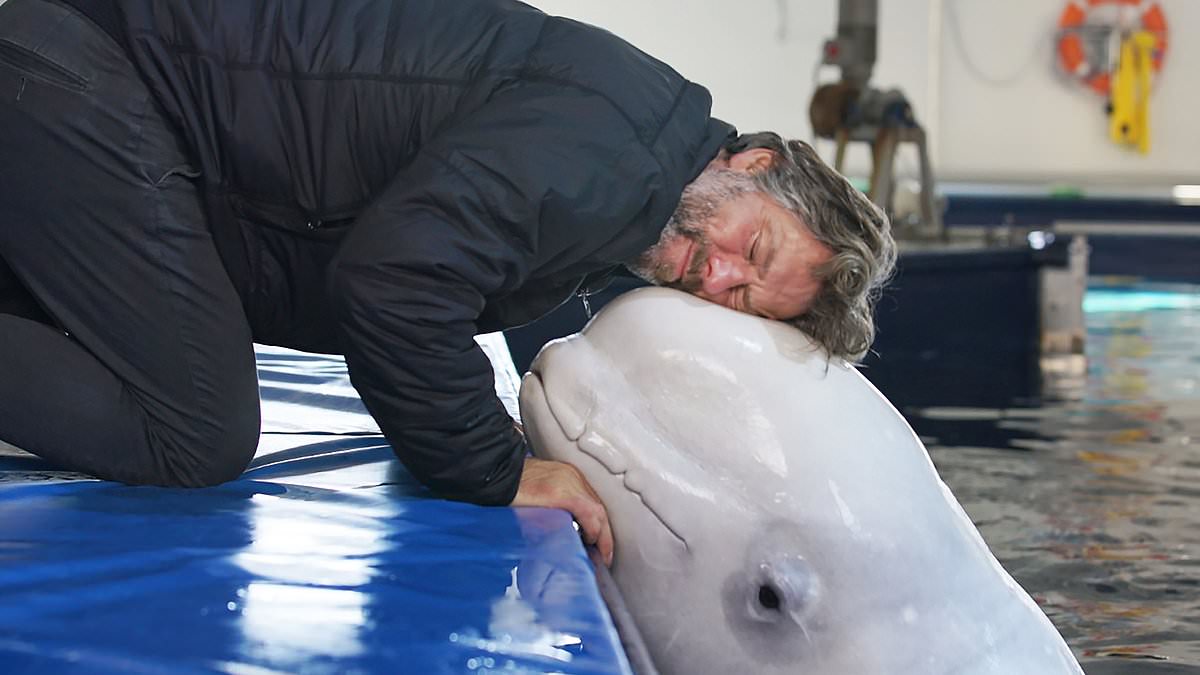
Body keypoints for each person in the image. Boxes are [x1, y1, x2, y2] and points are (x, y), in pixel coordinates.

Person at [0, 0, 895, 564]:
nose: (718, 275)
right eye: (754, 249)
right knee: (196, 428)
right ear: (754, 162)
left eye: (740, 296)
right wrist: (497, 468)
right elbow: (392, 286)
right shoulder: (618, 157)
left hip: (91, 93)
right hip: (82, 81)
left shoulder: (630, 174)